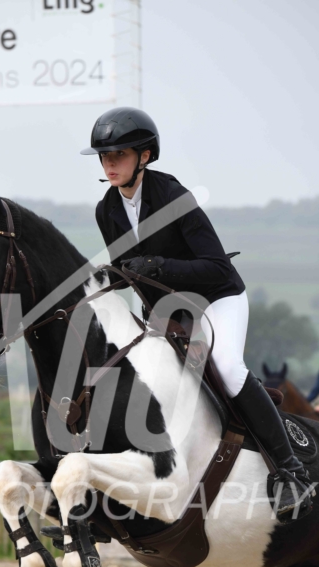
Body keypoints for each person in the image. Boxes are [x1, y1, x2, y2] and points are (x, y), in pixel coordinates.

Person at [81, 106, 314, 522]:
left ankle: (290, 471)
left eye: (119, 154)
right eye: (104, 157)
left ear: (145, 156)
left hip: (216, 299)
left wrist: (157, 266)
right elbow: (128, 271)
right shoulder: (107, 209)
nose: (109, 163)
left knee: (226, 367)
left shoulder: (173, 198)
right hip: (169, 312)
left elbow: (216, 267)